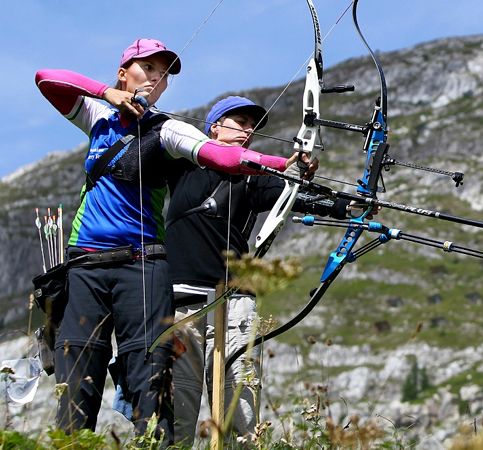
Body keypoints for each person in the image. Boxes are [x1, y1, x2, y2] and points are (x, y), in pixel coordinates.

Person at [35, 38, 301, 442]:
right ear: (125, 72)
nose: (155, 80)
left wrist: (285, 163)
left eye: (162, 76)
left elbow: (225, 157)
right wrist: (107, 92)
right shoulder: (97, 115)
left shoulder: (168, 129)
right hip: (86, 265)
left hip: (140, 265)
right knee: (77, 382)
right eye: (148, 69)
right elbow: (47, 79)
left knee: (150, 382)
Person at [166, 95, 349, 445]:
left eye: (253, 126)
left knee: (242, 410)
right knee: (177, 409)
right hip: (183, 303)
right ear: (214, 125)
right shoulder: (182, 165)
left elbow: (299, 195)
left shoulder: (255, 178)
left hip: (235, 304)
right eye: (240, 122)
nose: (248, 130)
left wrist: (347, 205)